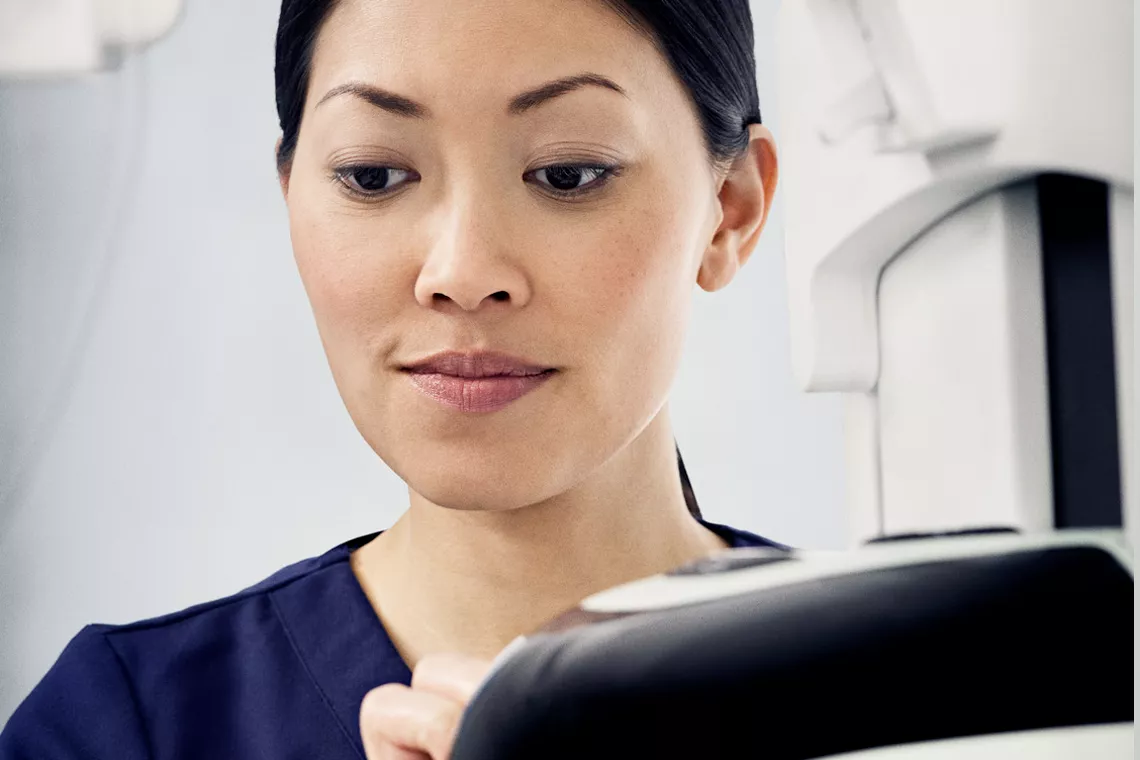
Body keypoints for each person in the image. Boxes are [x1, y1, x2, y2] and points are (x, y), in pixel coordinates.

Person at [0, 0, 781, 757]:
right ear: (292, 197)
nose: (462, 273)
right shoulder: (124, 727)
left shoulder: (885, 691)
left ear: (731, 208)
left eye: (567, 174)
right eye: (373, 176)